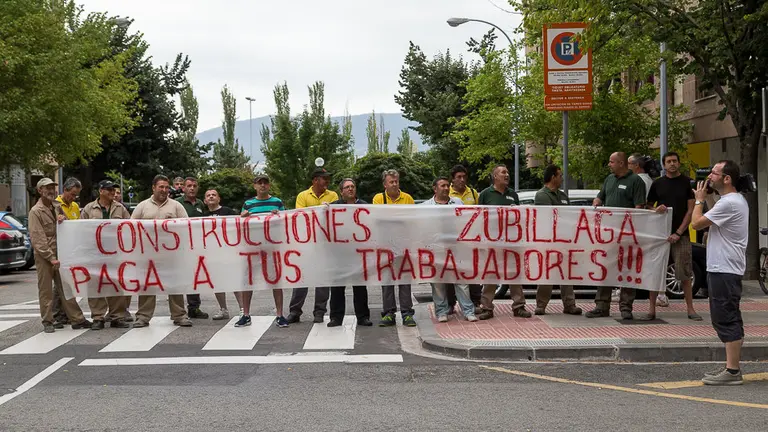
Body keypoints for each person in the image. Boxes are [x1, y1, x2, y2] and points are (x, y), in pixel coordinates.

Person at [691, 160, 749, 385]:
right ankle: (731, 365)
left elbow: (696, 224)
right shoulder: (732, 200)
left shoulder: (730, 203)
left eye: (714, 173)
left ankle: (733, 372)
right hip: (727, 268)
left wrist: (698, 199)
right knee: (731, 315)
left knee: (725, 318)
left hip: (724, 269)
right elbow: (715, 214)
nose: (709, 176)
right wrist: (708, 198)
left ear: (727, 179)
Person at [587, 152, 647, 320]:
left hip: (627, 236)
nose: (609, 164)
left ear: (621, 163)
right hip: (608, 236)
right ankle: (601, 306)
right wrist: (597, 201)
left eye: (611, 162)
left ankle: (626, 307)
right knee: (605, 269)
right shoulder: (609, 179)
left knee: (627, 270)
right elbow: (600, 197)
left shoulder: (636, 181)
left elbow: (639, 208)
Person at [643, 152, 702, 321]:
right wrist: (656, 209)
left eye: (674, 161)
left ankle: (690, 309)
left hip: (681, 236)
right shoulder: (657, 184)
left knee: (684, 271)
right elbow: (647, 207)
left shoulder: (687, 183)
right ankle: (651, 309)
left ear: (679, 163)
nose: (672, 164)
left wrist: (679, 232)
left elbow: (691, 210)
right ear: (664, 165)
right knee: (655, 271)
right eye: (668, 161)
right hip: (659, 235)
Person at [28, 178, 91, 333]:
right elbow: (38, 238)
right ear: (39, 191)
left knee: (66, 287)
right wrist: (51, 257)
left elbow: (67, 227)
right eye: (46, 188)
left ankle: (77, 319)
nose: (50, 191)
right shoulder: (36, 211)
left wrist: (63, 219)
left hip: (61, 252)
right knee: (46, 290)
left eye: (52, 188)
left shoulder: (56, 207)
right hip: (45, 257)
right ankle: (48, 321)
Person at [130, 175, 193, 328]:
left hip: (171, 254)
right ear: (153, 188)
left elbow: (186, 226)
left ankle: (179, 315)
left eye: (166, 187)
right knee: (147, 284)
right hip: (147, 254)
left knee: (174, 283)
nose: (164, 190)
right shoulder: (142, 206)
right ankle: (143, 316)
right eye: (161, 187)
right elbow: (131, 227)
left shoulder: (176, 206)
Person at [477, 164, 531, 320]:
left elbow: (519, 218)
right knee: (490, 275)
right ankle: (487, 307)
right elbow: (479, 216)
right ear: (495, 176)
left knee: (514, 274)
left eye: (507, 172)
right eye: (503, 172)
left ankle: (519, 306)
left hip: (511, 241)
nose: (507, 174)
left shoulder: (513, 195)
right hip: (492, 242)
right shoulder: (486, 194)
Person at [287, 167, 339, 324]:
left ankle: (319, 312)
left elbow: (336, 215)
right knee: (302, 278)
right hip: (307, 244)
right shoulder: (303, 196)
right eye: (324, 178)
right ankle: (295, 311)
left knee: (323, 280)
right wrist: (319, 211)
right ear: (315, 180)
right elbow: (301, 217)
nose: (327, 181)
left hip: (325, 244)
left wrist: (327, 210)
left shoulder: (333, 195)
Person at [421, 177, 476, 322]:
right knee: (438, 282)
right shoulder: (425, 206)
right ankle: (441, 312)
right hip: (436, 249)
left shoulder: (457, 203)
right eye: (443, 185)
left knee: (461, 281)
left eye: (447, 186)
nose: (446, 188)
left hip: (456, 248)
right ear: (435, 189)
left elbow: (466, 221)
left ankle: (468, 311)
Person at [80, 180, 133, 329]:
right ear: (101, 191)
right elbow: (80, 229)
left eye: (113, 189)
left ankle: (117, 316)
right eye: (109, 190)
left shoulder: (120, 208)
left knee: (116, 283)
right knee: (95, 285)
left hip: (115, 253)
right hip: (94, 253)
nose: (112, 192)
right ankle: (98, 317)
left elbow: (129, 227)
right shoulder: (89, 209)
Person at [240, 174, 290, 328]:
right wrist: (243, 216)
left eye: (265, 183)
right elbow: (240, 223)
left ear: (269, 185)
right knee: (248, 280)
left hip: (271, 246)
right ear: (254, 186)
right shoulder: (248, 204)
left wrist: (278, 215)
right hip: (253, 247)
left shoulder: (277, 202)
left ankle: (280, 315)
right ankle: (246, 314)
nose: (262, 185)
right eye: (259, 183)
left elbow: (284, 221)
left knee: (276, 280)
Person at [533, 165, 582, 316]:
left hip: (564, 240)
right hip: (548, 240)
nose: (562, 178)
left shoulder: (563, 196)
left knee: (566, 274)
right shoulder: (542, 195)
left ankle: (569, 304)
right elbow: (548, 217)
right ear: (553, 177)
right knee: (547, 272)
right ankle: (541, 304)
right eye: (560, 175)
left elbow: (568, 216)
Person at [372, 169, 417, 327]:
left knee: (405, 280)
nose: (395, 184)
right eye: (391, 181)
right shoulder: (378, 198)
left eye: (396, 181)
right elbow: (379, 220)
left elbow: (412, 221)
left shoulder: (408, 198)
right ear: (385, 184)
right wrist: (399, 219)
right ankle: (389, 313)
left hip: (404, 245)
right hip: (385, 246)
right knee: (387, 280)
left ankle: (406, 313)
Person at [327, 178, 372, 327]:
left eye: (353, 186)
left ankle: (363, 317)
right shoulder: (333, 207)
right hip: (339, 254)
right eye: (347, 187)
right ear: (341, 192)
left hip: (358, 254)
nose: (351, 189)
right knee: (337, 287)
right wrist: (322, 209)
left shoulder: (365, 206)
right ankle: (336, 317)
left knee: (360, 286)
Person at [629, 153, 669, 307]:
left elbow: (642, 204)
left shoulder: (638, 181)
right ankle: (660, 293)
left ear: (636, 166)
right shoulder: (650, 181)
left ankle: (657, 293)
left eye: (629, 164)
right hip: (650, 228)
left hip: (641, 228)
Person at [447, 164, 482, 310]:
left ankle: (475, 302)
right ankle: (450, 303)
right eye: (458, 177)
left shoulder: (474, 194)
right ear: (452, 180)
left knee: (472, 272)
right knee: (449, 273)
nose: (462, 180)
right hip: (452, 241)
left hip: (470, 241)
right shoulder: (446, 193)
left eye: (464, 177)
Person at [203, 188, 240, 322]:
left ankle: (243, 310)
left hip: (228, 252)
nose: (211, 197)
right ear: (205, 201)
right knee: (217, 282)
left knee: (234, 282)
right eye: (208, 195)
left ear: (219, 199)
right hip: (212, 254)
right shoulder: (202, 216)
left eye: (214, 195)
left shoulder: (228, 212)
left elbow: (238, 225)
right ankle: (223, 309)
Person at [176, 177, 209, 319]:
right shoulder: (177, 203)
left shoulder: (201, 204)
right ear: (183, 188)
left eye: (194, 186)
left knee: (194, 276)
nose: (192, 188)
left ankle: (194, 307)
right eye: (189, 185)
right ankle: (177, 310)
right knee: (179, 277)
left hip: (196, 245)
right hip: (180, 245)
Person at [51, 177, 82, 325]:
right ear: (66, 190)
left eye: (76, 195)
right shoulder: (55, 204)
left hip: (72, 248)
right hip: (59, 248)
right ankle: (57, 314)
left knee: (68, 282)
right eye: (73, 194)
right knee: (60, 282)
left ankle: (64, 313)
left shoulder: (75, 206)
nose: (74, 197)